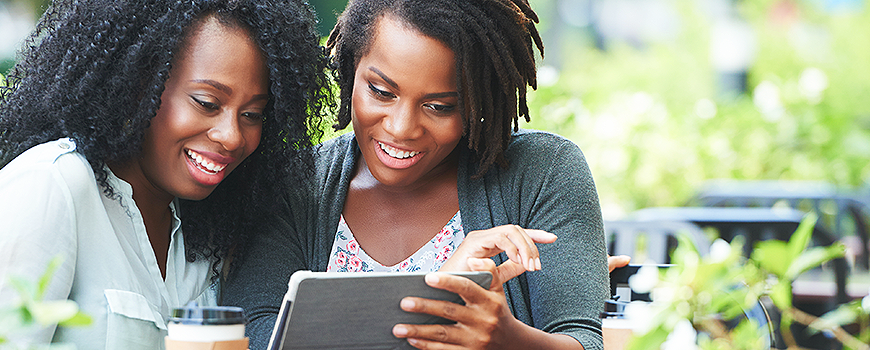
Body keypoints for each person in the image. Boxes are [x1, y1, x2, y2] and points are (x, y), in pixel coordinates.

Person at [0, 0, 329, 348]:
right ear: (140, 84)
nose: (231, 136)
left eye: (252, 115)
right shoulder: (50, 189)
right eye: (207, 102)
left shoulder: (209, 227)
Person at [223, 0, 608, 349]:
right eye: (381, 91)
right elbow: (251, 334)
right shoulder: (299, 184)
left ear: (476, 101)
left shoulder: (544, 172)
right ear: (350, 67)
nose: (402, 128)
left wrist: (508, 340)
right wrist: (434, 300)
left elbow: (585, 340)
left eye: (439, 107)